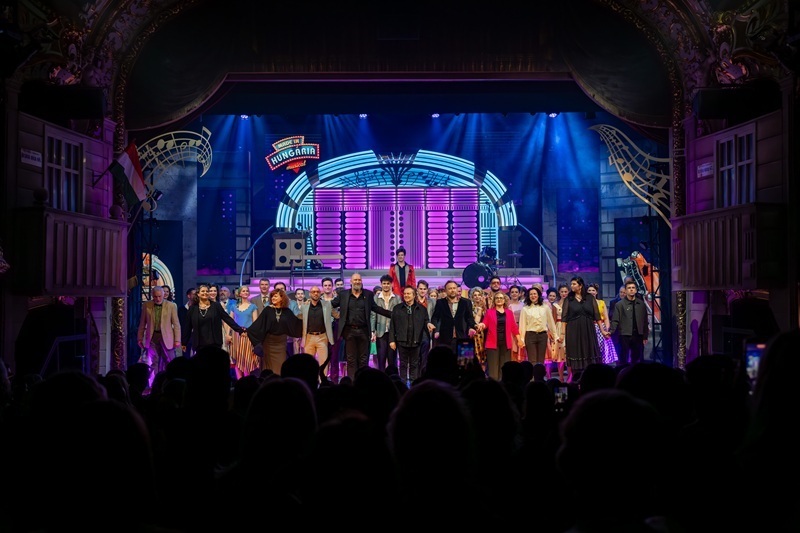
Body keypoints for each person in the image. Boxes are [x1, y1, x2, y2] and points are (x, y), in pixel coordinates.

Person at [330, 273, 393, 380]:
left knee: (363, 360)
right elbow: (331, 305)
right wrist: (335, 314)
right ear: (351, 282)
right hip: (349, 331)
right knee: (351, 360)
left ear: (361, 281)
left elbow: (376, 308)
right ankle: (352, 383)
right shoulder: (343, 295)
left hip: (364, 331)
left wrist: (393, 314)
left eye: (359, 280)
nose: (357, 282)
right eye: (355, 280)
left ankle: (362, 382)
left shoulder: (368, 294)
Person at [246, 288, 303, 375]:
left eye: (275, 296)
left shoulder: (287, 311)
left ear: (282, 298)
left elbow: (296, 324)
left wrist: (305, 315)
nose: (273, 298)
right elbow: (258, 325)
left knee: (280, 367)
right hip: (269, 343)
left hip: (281, 343)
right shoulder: (267, 310)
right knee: (268, 368)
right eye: (272, 296)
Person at [561, 276, 603, 383]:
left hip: (588, 329)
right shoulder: (569, 299)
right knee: (576, 354)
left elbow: (597, 316)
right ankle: (576, 382)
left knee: (589, 353)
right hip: (573, 330)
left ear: (580, 286)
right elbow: (564, 318)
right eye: (571, 284)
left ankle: (591, 381)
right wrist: (562, 334)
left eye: (574, 284)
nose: (572, 286)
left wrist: (602, 331)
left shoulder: (590, 298)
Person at [181, 283, 245, 354]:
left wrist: (240, 330)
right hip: (199, 343)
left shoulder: (216, 306)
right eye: (203, 291)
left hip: (214, 342)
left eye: (207, 291)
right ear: (198, 294)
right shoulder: (193, 309)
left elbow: (227, 318)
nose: (205, 293)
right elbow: (188, 327)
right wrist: (184, 342)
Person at [137, 285, 181, 377]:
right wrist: (140, 338)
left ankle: (170, 380)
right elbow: (142, 323)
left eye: (159, 296)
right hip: (153, 336)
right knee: (154, 361)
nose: (157, 299)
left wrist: (177, 340)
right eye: (155, 296)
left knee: (170, 360)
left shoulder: (171, 306)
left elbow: (176, 324)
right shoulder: (146, 305)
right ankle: (155, 382)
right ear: (152, 295)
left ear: (163, 295)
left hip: (167, 337)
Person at [389, 287, 430, 383]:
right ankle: (402, 385)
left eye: (408, 294)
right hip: (402, 341)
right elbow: (392, 325)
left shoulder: (422, 309)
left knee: (414, 365)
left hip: (416, 340)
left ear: (414, 295)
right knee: (403, 364)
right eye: (405, 294)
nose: (406, 295)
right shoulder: (397, 308)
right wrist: (392, 340)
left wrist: (429, 324)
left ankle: (413, 384)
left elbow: (426, 322)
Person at [477, 291, 522, 380]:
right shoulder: (489, 312)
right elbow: (485, 323)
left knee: (504, 368)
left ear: (504, 300)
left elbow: (514, 327)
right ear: (494, 300)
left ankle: (503, 386)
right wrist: (482, 325)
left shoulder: (509, 312)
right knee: (493, 369)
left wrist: (519, 340)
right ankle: (494, 386)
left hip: (506, 344)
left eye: (501, 298)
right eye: (497, 298)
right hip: (492, 344)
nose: (499, 299)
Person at [428, 280, 478, 354]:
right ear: (446, 290)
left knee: (464, 359)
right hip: (445, 338)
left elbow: (469, 318)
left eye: (454, 288)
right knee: (447, 359)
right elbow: (435, 317)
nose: (452, 290)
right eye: (450, 288)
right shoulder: (440, 302)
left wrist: (473, 326)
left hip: (462, 336)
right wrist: (435, 329)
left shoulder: (466, 302)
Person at [607, 280, 649, 365]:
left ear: (636, 290)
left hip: (638, 335)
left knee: (636, 357)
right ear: (626, 291)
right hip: (624, 334)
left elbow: (645, 321)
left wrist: (645, 336)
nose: (631, 289)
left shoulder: (641, 304)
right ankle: (622, 371)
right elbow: (615, 320)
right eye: (629, 288)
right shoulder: (619, 304)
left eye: (633, 288)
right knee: (623, 356)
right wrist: (611, 332)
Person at [298, 285, 335, 383]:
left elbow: (336, 315)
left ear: (320, 293)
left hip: (322, 337)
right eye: (313, 292)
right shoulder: (304, 306)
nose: (315, 293)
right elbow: (298, 317)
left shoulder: (327, 305)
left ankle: (323, 382)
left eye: (317, 292)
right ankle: (309, 382)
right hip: (308, 337)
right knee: (308, 363)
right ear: (310, 294)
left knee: (324, 362)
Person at [518, 286, 559, 367]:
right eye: (531, 294)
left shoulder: (545, 307)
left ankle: (540, 375)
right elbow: (522, 325)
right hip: (530, 335)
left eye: (535, 294)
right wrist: (522, 339)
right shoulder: (525, 309)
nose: (533, 296)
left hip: (542, 335)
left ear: (538, 295)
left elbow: (551, 322)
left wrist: (555, 336)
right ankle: (532, 375)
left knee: (541, 360)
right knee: (532, 360)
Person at [227, 285, 259, 379]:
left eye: (247, 291)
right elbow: (230, 321)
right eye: (243, 291)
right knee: (238, 359)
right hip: (236, 335)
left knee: (246, 359)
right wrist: (228, 335)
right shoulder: (234, 307)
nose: (245, 292)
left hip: (248, 335)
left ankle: (246, 380)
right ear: (239, 293)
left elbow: (255, 323)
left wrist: (250, 333)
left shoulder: (253, 307)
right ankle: (239, 381)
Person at [372, 274, 402, 371]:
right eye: (384, 283)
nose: (386, 285)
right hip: (380, 332)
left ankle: (393, 378)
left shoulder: (397, 298)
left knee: (392, 359)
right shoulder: (376, 298)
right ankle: (381, 378)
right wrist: (372, 331)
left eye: (388, 283)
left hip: (393, 333)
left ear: (391, 284)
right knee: (381, 359)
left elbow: (399, 316)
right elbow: (373, 315)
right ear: (381, 284)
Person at [587, 282, 618, 365]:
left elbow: (606, 318)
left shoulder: (601, 303)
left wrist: (606, 330)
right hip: (590, 327)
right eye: (589, 290)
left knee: (602, 348)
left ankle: (601, 366)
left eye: (593, 290)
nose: (591, 292)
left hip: (601, 327)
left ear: (596, 292)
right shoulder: (584, 303)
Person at [321, 277, 342, 382]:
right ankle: (322, 380)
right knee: (323, 357)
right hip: (322, 330)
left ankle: (334, 381)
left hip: (335, 330)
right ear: (322, 287)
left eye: (329, 285)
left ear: (332, 286)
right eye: (325, 285)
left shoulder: (338, 299)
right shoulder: (318, 300)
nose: (327, 287)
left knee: (334, 357)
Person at [415, 280, 436, 376]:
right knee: (415, 358)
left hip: (426, 332)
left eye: (424, 289)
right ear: (417, 289)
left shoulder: (432, 302)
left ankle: (423, 376)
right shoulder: (413, 301)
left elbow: (434, 316)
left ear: (427, 290)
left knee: (424, 357)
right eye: (420, 289)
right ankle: (415, 378)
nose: (422, 291)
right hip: (414, 333)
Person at [469, 286, 488, 373]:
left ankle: (483, 374)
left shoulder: (486, 308)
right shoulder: (469, 308)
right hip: (472, 334)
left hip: (483, 334)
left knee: (483, 355)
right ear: (472, 297)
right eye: (475, 295)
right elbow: (476, 321)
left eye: (479, 295)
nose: (477, 297)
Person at [507, 284, 527, 362]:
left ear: (519, 294)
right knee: (512, 350)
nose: (514, 294)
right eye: (512, 292)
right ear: (510, 294)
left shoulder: (523, 305)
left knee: (521, 349)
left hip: (521, 328)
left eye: (516, 292)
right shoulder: (507, 305)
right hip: (510, 330)